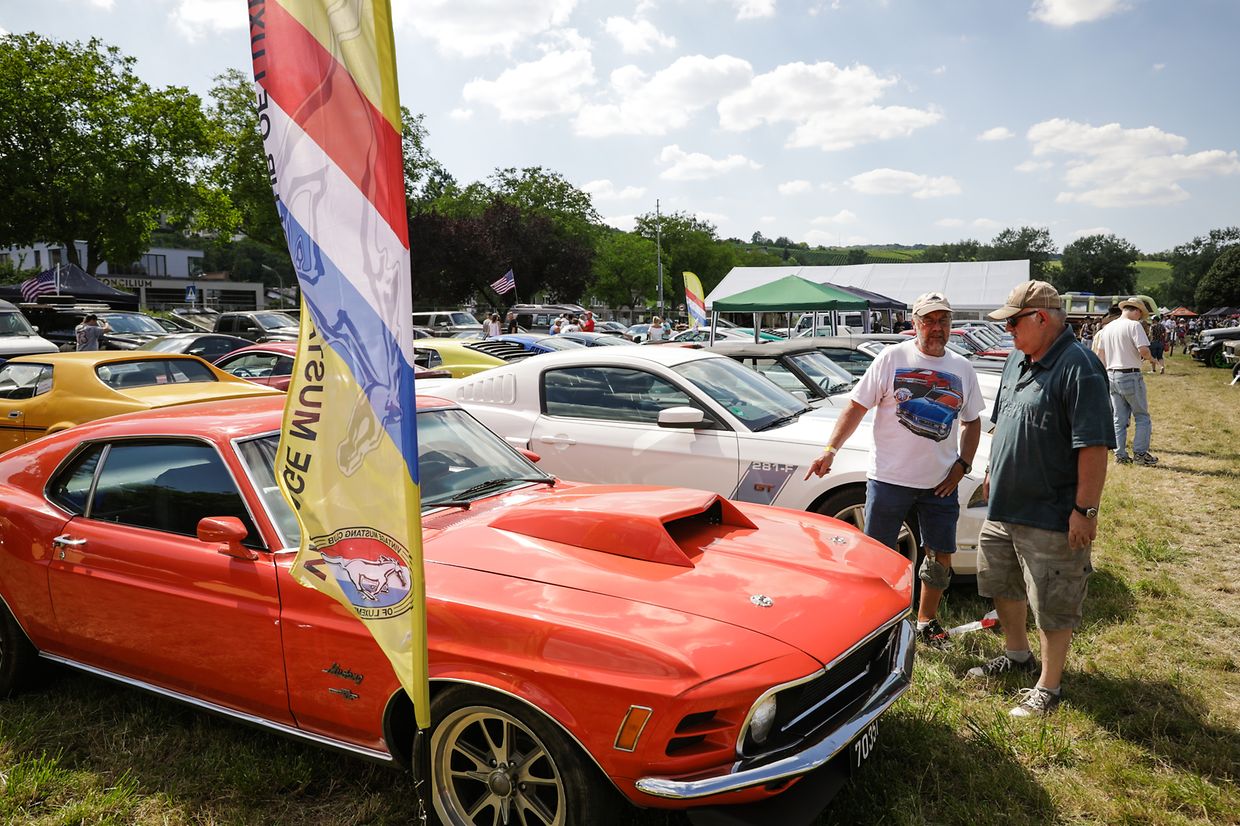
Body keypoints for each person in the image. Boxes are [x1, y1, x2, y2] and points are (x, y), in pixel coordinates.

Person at [805, 291, 984, 649]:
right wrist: (830, 449)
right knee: (879, 556)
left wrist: (962, 466)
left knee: (939, 555)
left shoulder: (962, 368)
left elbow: (972, 421)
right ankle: (876, 626)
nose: (936, 328)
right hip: (889, 480)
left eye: (943, 320)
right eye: (929, 320)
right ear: (915, 324)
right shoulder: (891, 358)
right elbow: (856, 408)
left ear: (951, 325)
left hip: (939, 483)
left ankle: (926, 622)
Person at [968, 280, 1113, 717]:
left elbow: (1093, 446)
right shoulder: (1017, 358)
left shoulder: (1079, 365)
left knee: (1052, 600)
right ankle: (1017, 656)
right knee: (1000, 583)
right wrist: (993, 469)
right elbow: (1003, 424)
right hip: (1004, 507)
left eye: (1013, 321)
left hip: (1051, 511)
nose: (1007, 329)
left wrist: (1085, 511)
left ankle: (1048, 686)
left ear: (1041, 318)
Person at [1093, 298, 1158, 466]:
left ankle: (1120, 454)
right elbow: (1143, 350)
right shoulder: (1134, 326)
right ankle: (1140, 454)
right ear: (1136, 311)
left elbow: (1101, 357)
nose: (1140, 318)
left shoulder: (1107, 328)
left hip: (1111, 375)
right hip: (1130, 374)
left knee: (1118, 418)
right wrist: (1152, 359)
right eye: (1140, 315)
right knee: (1142, 416)